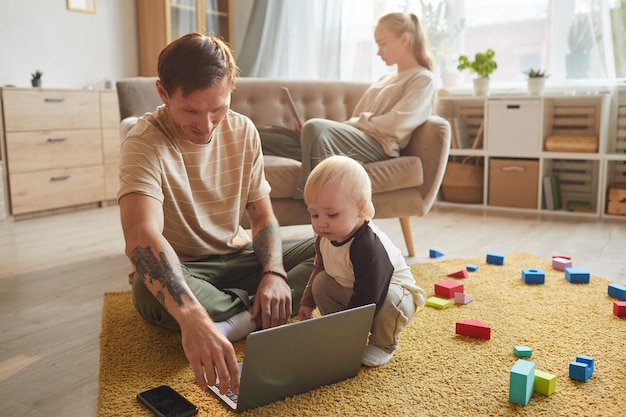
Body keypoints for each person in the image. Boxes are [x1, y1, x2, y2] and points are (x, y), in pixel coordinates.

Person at [117, 33, 315, 395]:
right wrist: (192, 316)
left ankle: (236, 321)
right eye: (191, 110)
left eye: (218, 109)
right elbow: (141, 236)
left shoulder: (244, 131)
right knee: (147, 290)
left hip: (239, 257)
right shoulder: (143, 142)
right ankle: (254, 313)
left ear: (231, 90)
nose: (206, 126)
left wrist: (273, 272)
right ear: (164, 94)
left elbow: (262, 217)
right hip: (186, 269)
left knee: (333, 247)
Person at [260, 11, 435, 198]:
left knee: (315, 128)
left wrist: (355, 123)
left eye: (382, 43)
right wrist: (342, 127)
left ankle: (310, 202)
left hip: (380, 145)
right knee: (264, 134)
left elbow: (397, 125)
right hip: (359, 138)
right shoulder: (386, 78)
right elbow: (356, 120)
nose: (378, 51)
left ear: (404, 39)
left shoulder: (422, 79)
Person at [298, 155, 426, 367]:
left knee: (390, 301)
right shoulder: (324, 239)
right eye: (314, 215)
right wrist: (307, 301)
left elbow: (371, 292)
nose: (322, 223)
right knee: (322, 281)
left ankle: (383, 344)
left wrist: (354, 327)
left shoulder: (368, 245)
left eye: (331, 214)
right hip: (356, 291)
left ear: (360, 208)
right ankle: (341, 332)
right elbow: (319, 268)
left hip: (391, 292)